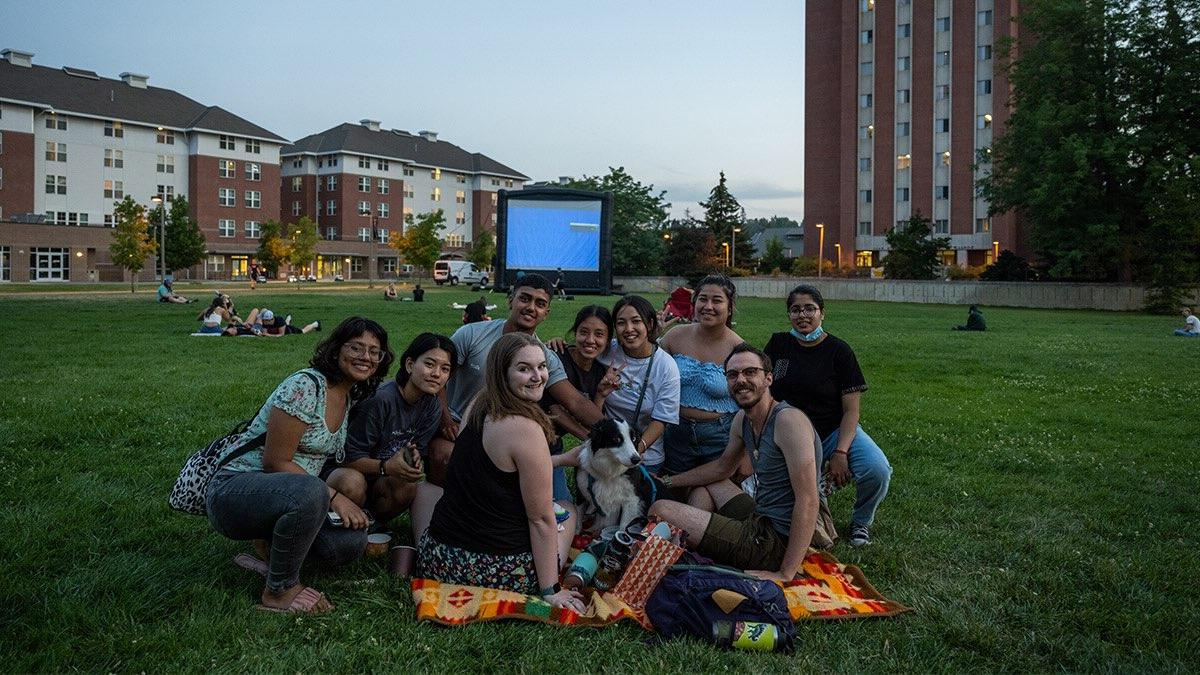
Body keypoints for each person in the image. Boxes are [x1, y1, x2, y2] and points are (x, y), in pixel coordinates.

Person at [204, 316, 394, 613]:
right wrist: (334, 496)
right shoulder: (305, 386)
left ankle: (270, 551)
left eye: (374, 351)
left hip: (287, 494)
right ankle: (278, 591)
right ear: (335, 350)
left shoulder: (346, 396)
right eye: (356, 347)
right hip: (234, 492)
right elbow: (275, 462)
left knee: (348, 544)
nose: (365, 357)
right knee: (312, 491)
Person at [418, 333, 586, 613]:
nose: (538, 376)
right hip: (495, 570)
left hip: (439, 558)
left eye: (542, 366)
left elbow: (494, 468)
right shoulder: (524, 428)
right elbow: (541, 519)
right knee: (566, 511)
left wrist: (561, 459)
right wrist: (551, 590)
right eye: (524, 369)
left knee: (427, 490)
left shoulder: (479, 403)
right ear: (502, 372)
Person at [440, 273, 602, 558]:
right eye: (525, 298)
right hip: (459, 429)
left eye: (540, 303)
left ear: (547, 312)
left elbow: (575, 401)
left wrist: (614, 432)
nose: (531, 307)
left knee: (560, 507)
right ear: (510, 300)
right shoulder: (472, 334)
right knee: (448, 458)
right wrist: (444, 417)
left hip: (509, 442)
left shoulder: (546, 357)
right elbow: (438, 373)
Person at [649, 344, 828, 579]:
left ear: (769, 379)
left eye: (750, 372)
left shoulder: (788, 422)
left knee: (660, 510)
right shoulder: (743, 419)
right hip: (759, 517)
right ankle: (687, 545)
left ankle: (685, 544)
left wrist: (786, 572)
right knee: (709, 484)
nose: (740, 380)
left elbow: (808, 500)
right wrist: (668, 480)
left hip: (774, 543)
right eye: (732, 375)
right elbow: (722, 468)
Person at [764, 285, 891, 547]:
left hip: (832, 432)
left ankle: (861, 522)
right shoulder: (779, 344)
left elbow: (851, 411)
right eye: (795, 309)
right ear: (788, 314)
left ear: (822, 313)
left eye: (810, 308)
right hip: (789, 435)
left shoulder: (839, 351)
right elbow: (764, 390)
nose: (803, 315)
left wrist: (841, 452)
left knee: (876, 469)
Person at [326, 333, 456, 539]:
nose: (436, 374)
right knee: (353, 483)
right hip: (343, 474)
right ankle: (333, 523)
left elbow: (416, 448)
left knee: (407, 486)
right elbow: (347, 458)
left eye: (445, 369)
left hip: (381, 477)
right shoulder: (380, 400)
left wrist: (412, 460)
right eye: (430, 364)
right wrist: (387, 466)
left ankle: (371, 523)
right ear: (410, 365)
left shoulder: (432, 405)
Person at [659, 275, 746, 475]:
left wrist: (746, 453)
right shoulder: (674, 336)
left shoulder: (739, 349)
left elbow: (753, 402)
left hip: (721, 437)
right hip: (675, 432)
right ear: (694, 302)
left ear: (730, 307)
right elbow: (647, 368)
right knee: (674, 494)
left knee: (710, 494)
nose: (708, 306)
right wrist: (651, 334)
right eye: (702, 299)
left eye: (717, 300)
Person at [596, 294, 681, 473]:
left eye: (636, 321)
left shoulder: (666, 366)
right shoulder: (606, 351)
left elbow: (661, 420)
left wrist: (633, 453)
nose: (629, 329)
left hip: (645, 458)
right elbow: (580, 353)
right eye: (621, 323)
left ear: (649, 324)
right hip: (606, 457)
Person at [542, 306, 619, 441]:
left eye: (599, 334)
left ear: (608, 341)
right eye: (583, 332)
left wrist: (600, 395)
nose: (590, 340)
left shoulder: (600, 373)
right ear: (575, 333)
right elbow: (554, 410)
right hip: (529, 437)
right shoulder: (557, 359)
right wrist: (592, 439)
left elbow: (589, 420)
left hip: (553, 443)